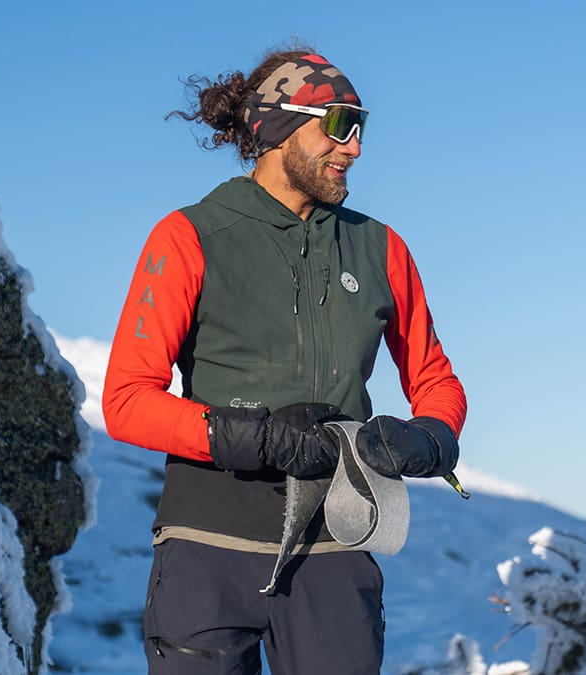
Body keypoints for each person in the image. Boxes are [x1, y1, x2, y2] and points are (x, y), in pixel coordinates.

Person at [102, 46, 467, 674]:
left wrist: (429, 439)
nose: (354, 147)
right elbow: (127, 401)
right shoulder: (188, 236)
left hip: (338, 545)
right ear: (274, 126)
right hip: (206, 548)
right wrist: (258, 438)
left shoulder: (381, 248)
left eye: (360, 127)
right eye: (337, 125)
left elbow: (435, 380)